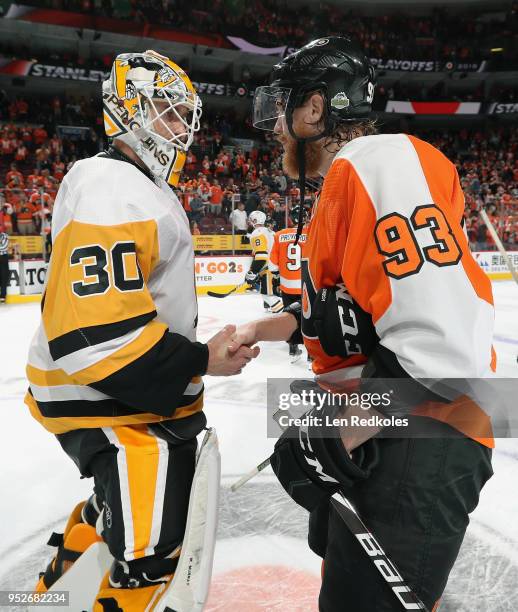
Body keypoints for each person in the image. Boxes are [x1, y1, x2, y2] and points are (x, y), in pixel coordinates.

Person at [230, 37, 494, 611]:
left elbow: (447, 346)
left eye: (285, 105)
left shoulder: (377, 160)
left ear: (318, 108)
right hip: (395, 438)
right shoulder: (351, 182)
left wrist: (339, 429)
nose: (274, 123)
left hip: (417, 438)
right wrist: (263, 329)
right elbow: (351, 313)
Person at [26, 50, 259, 610]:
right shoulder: (112, 185)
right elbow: (96, 333)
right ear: (126, 109)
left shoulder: (127, 183)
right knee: (150, 558)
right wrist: (201, 360)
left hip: (110, 397)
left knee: (111, 516)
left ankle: (46, 598)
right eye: (166, 111)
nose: (180, 128)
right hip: (114, 406)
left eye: (182, 115)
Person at [268, 205, 308, 362]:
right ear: (305, 218)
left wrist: (278, 274)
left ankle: (293, 348)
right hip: (306, 284)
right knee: (308, 317)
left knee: (290, 317)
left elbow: (272, 264)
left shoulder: (279, 235)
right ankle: (312, 354)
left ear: (291, 218)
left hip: (287, 285)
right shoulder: (311, 233)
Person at [245, 210, 283, 313]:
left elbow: (261, 256)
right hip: (276, 268)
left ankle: (284, 314)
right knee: (270, 293)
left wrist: (253, 271)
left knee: (267, 296)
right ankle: (276, 310)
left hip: (269, 269)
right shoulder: (271, 232)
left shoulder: (257, 233)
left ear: (254, 220)